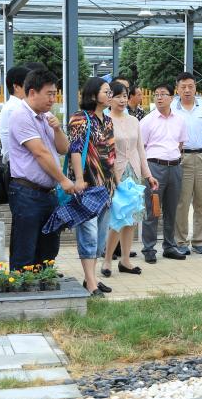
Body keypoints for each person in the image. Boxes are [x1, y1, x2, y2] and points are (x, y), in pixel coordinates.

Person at [7, 69, 74, 272]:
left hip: (47, 194)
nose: (53, 99)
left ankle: (44, 284)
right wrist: (63, 180)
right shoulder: (21, 115)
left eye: (55, 94)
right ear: (32, 92)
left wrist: (57, 129)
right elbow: (40, 153)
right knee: (25, 250)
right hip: (27, 193)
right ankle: (22, 288)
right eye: (49, 94)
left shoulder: (46, 116)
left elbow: (64, 148)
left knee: (48, 249)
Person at [101, 82, 156, 277]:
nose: (122, 100)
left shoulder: (134, 121)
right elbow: (105, 153)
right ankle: (107, 260)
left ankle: (125, 260)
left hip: (134, 173)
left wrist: (148, 175)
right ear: (109, 99)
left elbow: (141, 149)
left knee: (132, 219)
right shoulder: (104, 121)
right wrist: (113, 177)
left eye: (125, 96)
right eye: (118, 96)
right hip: (116, 174)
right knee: (118, 218)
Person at [68, 78, 116, 296]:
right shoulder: (80, 118)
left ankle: (91, 279)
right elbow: (75, 150)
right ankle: (91, 283)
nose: (110, 95)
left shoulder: (108, 120)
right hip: (87, 187)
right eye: (106, 91)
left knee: (99, 238)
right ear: (93, 94)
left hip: (106, 188)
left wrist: (115, 182)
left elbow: (112, 154)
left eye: (110, 92)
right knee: (88, 234)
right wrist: (79, 179)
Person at [140, 82, 188, 263]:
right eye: (156, 94)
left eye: (163, 94)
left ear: (172, 98)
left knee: (172, 209)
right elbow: (141, 147)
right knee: (152, 209)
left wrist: (173, 159)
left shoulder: (180, 120)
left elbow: (181, 144)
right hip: (155, 167)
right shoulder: (147, 121)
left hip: (175, 167)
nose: (159, 98)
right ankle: (149, 248)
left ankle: (169, 246)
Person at [173, 71, 202, 255]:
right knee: (182, 202)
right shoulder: (172, 108)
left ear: (195, 87)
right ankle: (180, 241)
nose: (187, 90)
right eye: (183, 87)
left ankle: (199, 241)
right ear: (177, 89)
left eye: (190, 86)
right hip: (182, 158)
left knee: (201, 202)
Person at [0, 65, 29, 163]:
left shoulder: (16, 106)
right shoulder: (15, 109)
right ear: (16, 87)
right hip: (19, 165)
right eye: (29, 84)